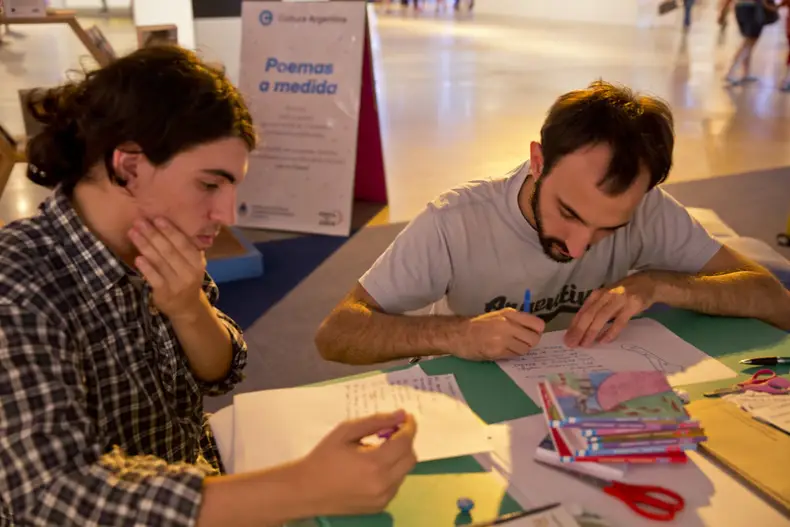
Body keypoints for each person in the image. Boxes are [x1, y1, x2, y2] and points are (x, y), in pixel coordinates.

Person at [0, 46, 417, 526]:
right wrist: (304, 487)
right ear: (128, 167)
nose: (227, 214)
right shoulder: (17, 288)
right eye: (209, 184)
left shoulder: (159, 241)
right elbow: (52, 497)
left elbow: (221, 372)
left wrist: (188, 307)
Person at [315, 80, 790, 365]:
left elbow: (773, 300)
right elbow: (336, 333)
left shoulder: (650, 209)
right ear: (538, 162)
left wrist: (657, 285)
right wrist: (456, 335)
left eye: (610, 228)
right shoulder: (455, 221)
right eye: (569, 213)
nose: (579, 248)